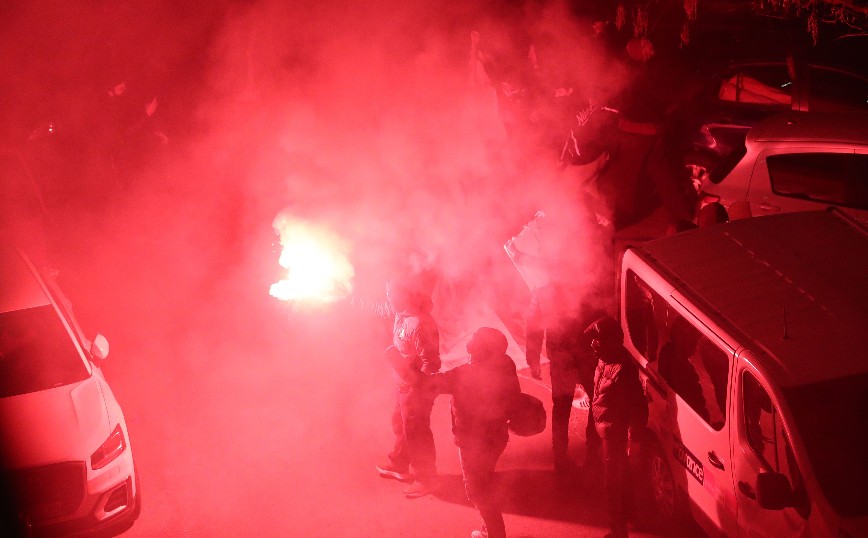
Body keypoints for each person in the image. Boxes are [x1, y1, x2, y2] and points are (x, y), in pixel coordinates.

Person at [428, 327, 521, 538]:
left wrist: (405, 366)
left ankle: (496, 533)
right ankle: (489, 529)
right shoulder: (506, 364)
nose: (471, 339)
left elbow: (430, 384)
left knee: (477, 490)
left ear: (484, 348)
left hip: (473, 442)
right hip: (497, 436)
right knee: (485, 480)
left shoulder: (466, 373)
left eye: (476, 338)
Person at [374, 273, 442, 499]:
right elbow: (376, 309)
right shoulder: (401, 314)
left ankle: (427, 479)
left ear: (407, 295)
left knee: (417, 432)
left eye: (392, 293)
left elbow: (431, 363)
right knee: (401, 424)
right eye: (387, 292)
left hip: (417, 389)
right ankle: (399, 463)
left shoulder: (421, 324)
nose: (388, 297)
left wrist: (418, 388)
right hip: (403, 384)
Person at [526, 281, 604, 475]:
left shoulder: (542, 293)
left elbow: (533, 329)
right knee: (597, 403)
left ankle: (560, 459)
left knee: (561, 407)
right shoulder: (587, 286)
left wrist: (533, 360)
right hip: (588, 357)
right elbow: (602, 321)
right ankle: (592, 456)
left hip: (562, 358)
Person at [585, 316, 648, 538]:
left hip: (615, 433)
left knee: (613, 484)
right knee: (621, 478)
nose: (593, 344)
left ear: (610, 341)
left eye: (597, 340)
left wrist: (634, 439)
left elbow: (638, 407)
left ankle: (618, 531)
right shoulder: (605, 359)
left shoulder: (623, 369)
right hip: (606, 428)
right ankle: (631, 516)